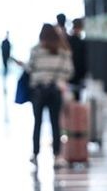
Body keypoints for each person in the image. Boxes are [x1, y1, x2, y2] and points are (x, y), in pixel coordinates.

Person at [25, 24, 74, 166]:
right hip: (55, 89)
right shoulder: (63, 50)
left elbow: (29, 68)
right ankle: (57, 155)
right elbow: (69, 71)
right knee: (55, 123)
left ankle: (35, 153)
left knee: (37, 122)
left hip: (38, 90)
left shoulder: (36, 50)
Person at [67, 18, 88, 100]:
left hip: (69, 74)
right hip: (78, 74)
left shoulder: (67, 41)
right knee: (76, 99)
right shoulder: (82, 43)